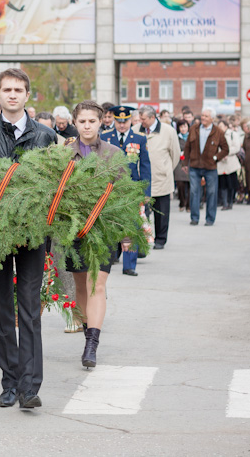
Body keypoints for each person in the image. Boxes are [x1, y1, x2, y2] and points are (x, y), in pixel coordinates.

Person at [0, 68, 57, 409]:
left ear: (27, 94)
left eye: (18, 89)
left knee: (30, 309)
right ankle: (9, 381)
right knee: (3, 309)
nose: (12, 94)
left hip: (33, 234)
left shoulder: (46, 136)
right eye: (6, 89)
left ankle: (30, 386)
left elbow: (54, 187)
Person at [64, 101, 129, 368]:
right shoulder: (64, 153)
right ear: (75, 122)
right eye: (82, 121)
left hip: (104, 229)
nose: (87, 126)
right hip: (73, 229)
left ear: (101, 122)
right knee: (80, 286)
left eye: (92, 121)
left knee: (97, 285)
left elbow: (125, 195)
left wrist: (126, 236)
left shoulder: (114, 153)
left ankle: (92, 344)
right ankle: (87, 328)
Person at [101, 106, 150, 275]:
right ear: (114, 121)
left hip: (131, 188)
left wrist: (146, 191)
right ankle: (107, 260)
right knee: (108, 224)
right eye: (119, 121)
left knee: (132, 225)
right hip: (109, 188)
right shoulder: (105, 138)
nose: (122, 125)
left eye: (125, 121)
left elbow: (144, 166)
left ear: (131, 120)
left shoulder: (139, 139)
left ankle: (129, 265)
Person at [136, 105, 180, 250]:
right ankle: (145, 240)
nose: (141, 122)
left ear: (152, 117)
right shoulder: (136, 130)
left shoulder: (168, 131)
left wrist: (165, 169)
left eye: (143, 119)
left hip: (162, 179)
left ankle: (161, 239)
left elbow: (175, 155)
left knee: (162, 213)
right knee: (143, 213)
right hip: (142, 180)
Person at [181, 108, 228, 226]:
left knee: (212, 193)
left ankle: (210, 219)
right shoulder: (194, 129)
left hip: (210, 167)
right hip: (195, 166)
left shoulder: (218, 132)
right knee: (194, 192)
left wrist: (216, 158)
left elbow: (226, 149)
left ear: (212, 118)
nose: (203, 118)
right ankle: (194, 218)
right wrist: (184, 163)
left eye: (206, 116)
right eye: (202, 115)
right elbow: (187, 147)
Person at [216, 119, 243, 211]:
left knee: (231, 184)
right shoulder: (216, 136)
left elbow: (236, 147)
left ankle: (230, 202)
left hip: (230, 162)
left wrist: (226, 153)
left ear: (226, 126)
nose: (220, 128)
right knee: (222, 184)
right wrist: (221, 155)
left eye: (221, 126)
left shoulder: (232, 135)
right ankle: (224, 203)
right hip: (221, 162)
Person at [174, 120, 190, 212]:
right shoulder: (176, 138)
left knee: (190, 184)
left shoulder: (191, 137)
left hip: (189, 162)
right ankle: (182, 202)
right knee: (180, 184)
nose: (183, 129)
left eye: (185, 126)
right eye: (181, 127)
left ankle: (189, 205)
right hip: (179, 163)